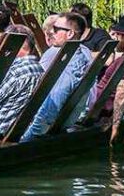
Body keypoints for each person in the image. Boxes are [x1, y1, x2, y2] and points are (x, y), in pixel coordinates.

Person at [21, 11, 93, 140]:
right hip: (67, 123)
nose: (51, 32)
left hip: (44, 132)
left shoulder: (64, 60)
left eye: (56, 29)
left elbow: (49, 111)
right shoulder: (85, 52)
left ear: (70, 33)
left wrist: (28, 137)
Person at [88, 14, 124, 143]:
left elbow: (122, 93)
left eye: (117, 35)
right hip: (103, 108)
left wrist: (115, 129)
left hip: (96, 111)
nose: (115, 38)